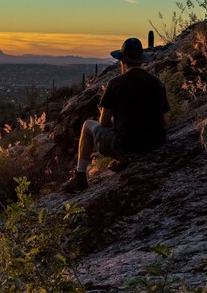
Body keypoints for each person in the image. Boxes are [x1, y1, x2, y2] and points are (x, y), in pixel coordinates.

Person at [62, 37, 170, 193]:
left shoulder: (115, 83)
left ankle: (79, 176)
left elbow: (104, 123)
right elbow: (165, 120)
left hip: (127, 146)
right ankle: (126, 161)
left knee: (88, 126)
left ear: (122, 62)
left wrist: (119, 122)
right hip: (155, 144)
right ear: (141, 61)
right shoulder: (157, 83)